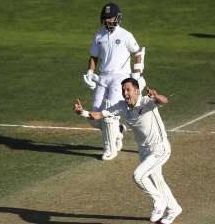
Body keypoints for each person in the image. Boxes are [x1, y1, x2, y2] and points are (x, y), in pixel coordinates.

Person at [74, 78, 182, 224]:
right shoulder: (121, 106)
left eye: (128, 89)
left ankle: (159, 201)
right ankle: (174, 208)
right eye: (123, 90)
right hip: (144, 151)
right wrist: (83, 113)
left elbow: (164, 101)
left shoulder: (146, 102)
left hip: (160, 148)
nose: (125, 93)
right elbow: (99, 115)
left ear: (136, 91)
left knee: (138, 176)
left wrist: (156, 96)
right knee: (157, 179)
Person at [82, 2, 146, 161]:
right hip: (103, 77)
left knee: (109, 114)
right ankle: (118, 131)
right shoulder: (99, 35)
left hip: (120, 78)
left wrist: (136, 75)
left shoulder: (126, 35)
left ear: (118, 18)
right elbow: (94, 57)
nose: (109, 21)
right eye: (106, 18)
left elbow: (138, 53)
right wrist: (90, 72)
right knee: (94, 116)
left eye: (111, 18)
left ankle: (110, 149)